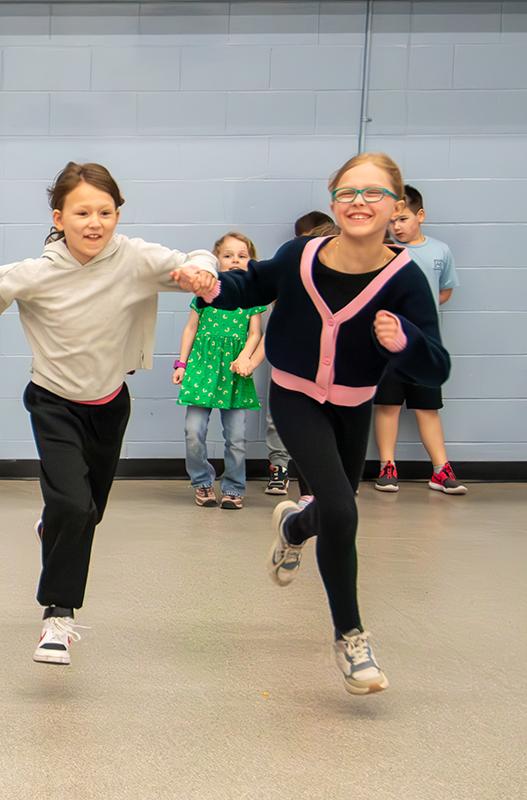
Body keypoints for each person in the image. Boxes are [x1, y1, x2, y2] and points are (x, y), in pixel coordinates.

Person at [174, 153, 450, 695]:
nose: (359, 203)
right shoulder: (302, 255)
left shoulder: (406, 280)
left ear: (397, 207)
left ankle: (293, 527)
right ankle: (351, 636)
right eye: (347, 193)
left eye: (373, 194)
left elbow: (436, 365)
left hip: (353, 405)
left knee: (330, 508)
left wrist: (406, 342)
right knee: (345, 508)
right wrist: (209, 286)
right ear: (333, 203)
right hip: (296, 397)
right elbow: (249, 286)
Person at [0, 162, 217, 666]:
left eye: (105, 212)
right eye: (82, 213)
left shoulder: (136, 258)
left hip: (110, 404)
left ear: (118, 214)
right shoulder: (38, 272)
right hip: (52, 402)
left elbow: (196, 259)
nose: (94, 222)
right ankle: (58, 618)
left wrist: (201, 272)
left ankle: (54, 526)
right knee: (74, 507)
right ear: (60, 216)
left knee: (86, 514)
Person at [373, 185, 465, 494]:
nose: (396, 227)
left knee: (428, 407)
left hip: (424, 345)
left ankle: (440, 469)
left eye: (403, 219)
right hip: (388, 347)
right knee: (388, 405)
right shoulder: (382, 251)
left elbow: (446, 290)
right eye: (391, 222)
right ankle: (388, 466)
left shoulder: (440, 251)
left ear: (420, 216)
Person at [174, 232, 266, 510]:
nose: (235, 260)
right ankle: (202, 482)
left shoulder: (252, 296)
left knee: (236, 437)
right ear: (216, 262)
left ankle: (234, 488)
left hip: (235, 373)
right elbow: (191, 328)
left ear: (251, 261)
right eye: (228, 255)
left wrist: (245, 357)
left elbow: (255, 334)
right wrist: (181, 363)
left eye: (242, 255)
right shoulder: (205, 294)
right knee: (194, 431)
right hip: (202, 370)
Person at [264, 215, 341, 496]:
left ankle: (318, 486)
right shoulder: (292, 267)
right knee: (285, 418)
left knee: (323, 423)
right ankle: (281, 469)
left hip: (328, 368)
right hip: (293, 364)